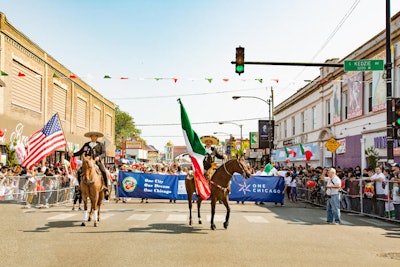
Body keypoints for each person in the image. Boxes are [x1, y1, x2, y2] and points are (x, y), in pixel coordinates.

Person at [69, 131, 110, 200]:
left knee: (103, 172)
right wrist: (73, 154)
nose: (93, 137)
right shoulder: (86, 145)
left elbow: (104, 154)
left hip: (97, 162)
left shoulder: (101, 145)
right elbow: (80, 152)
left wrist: (99, 157)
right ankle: (79, 188)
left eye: (95, 136)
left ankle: (105, 188)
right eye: (92, 136)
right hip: (87, 163)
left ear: (97, 137)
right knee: (79, 172)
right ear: (90, 137)